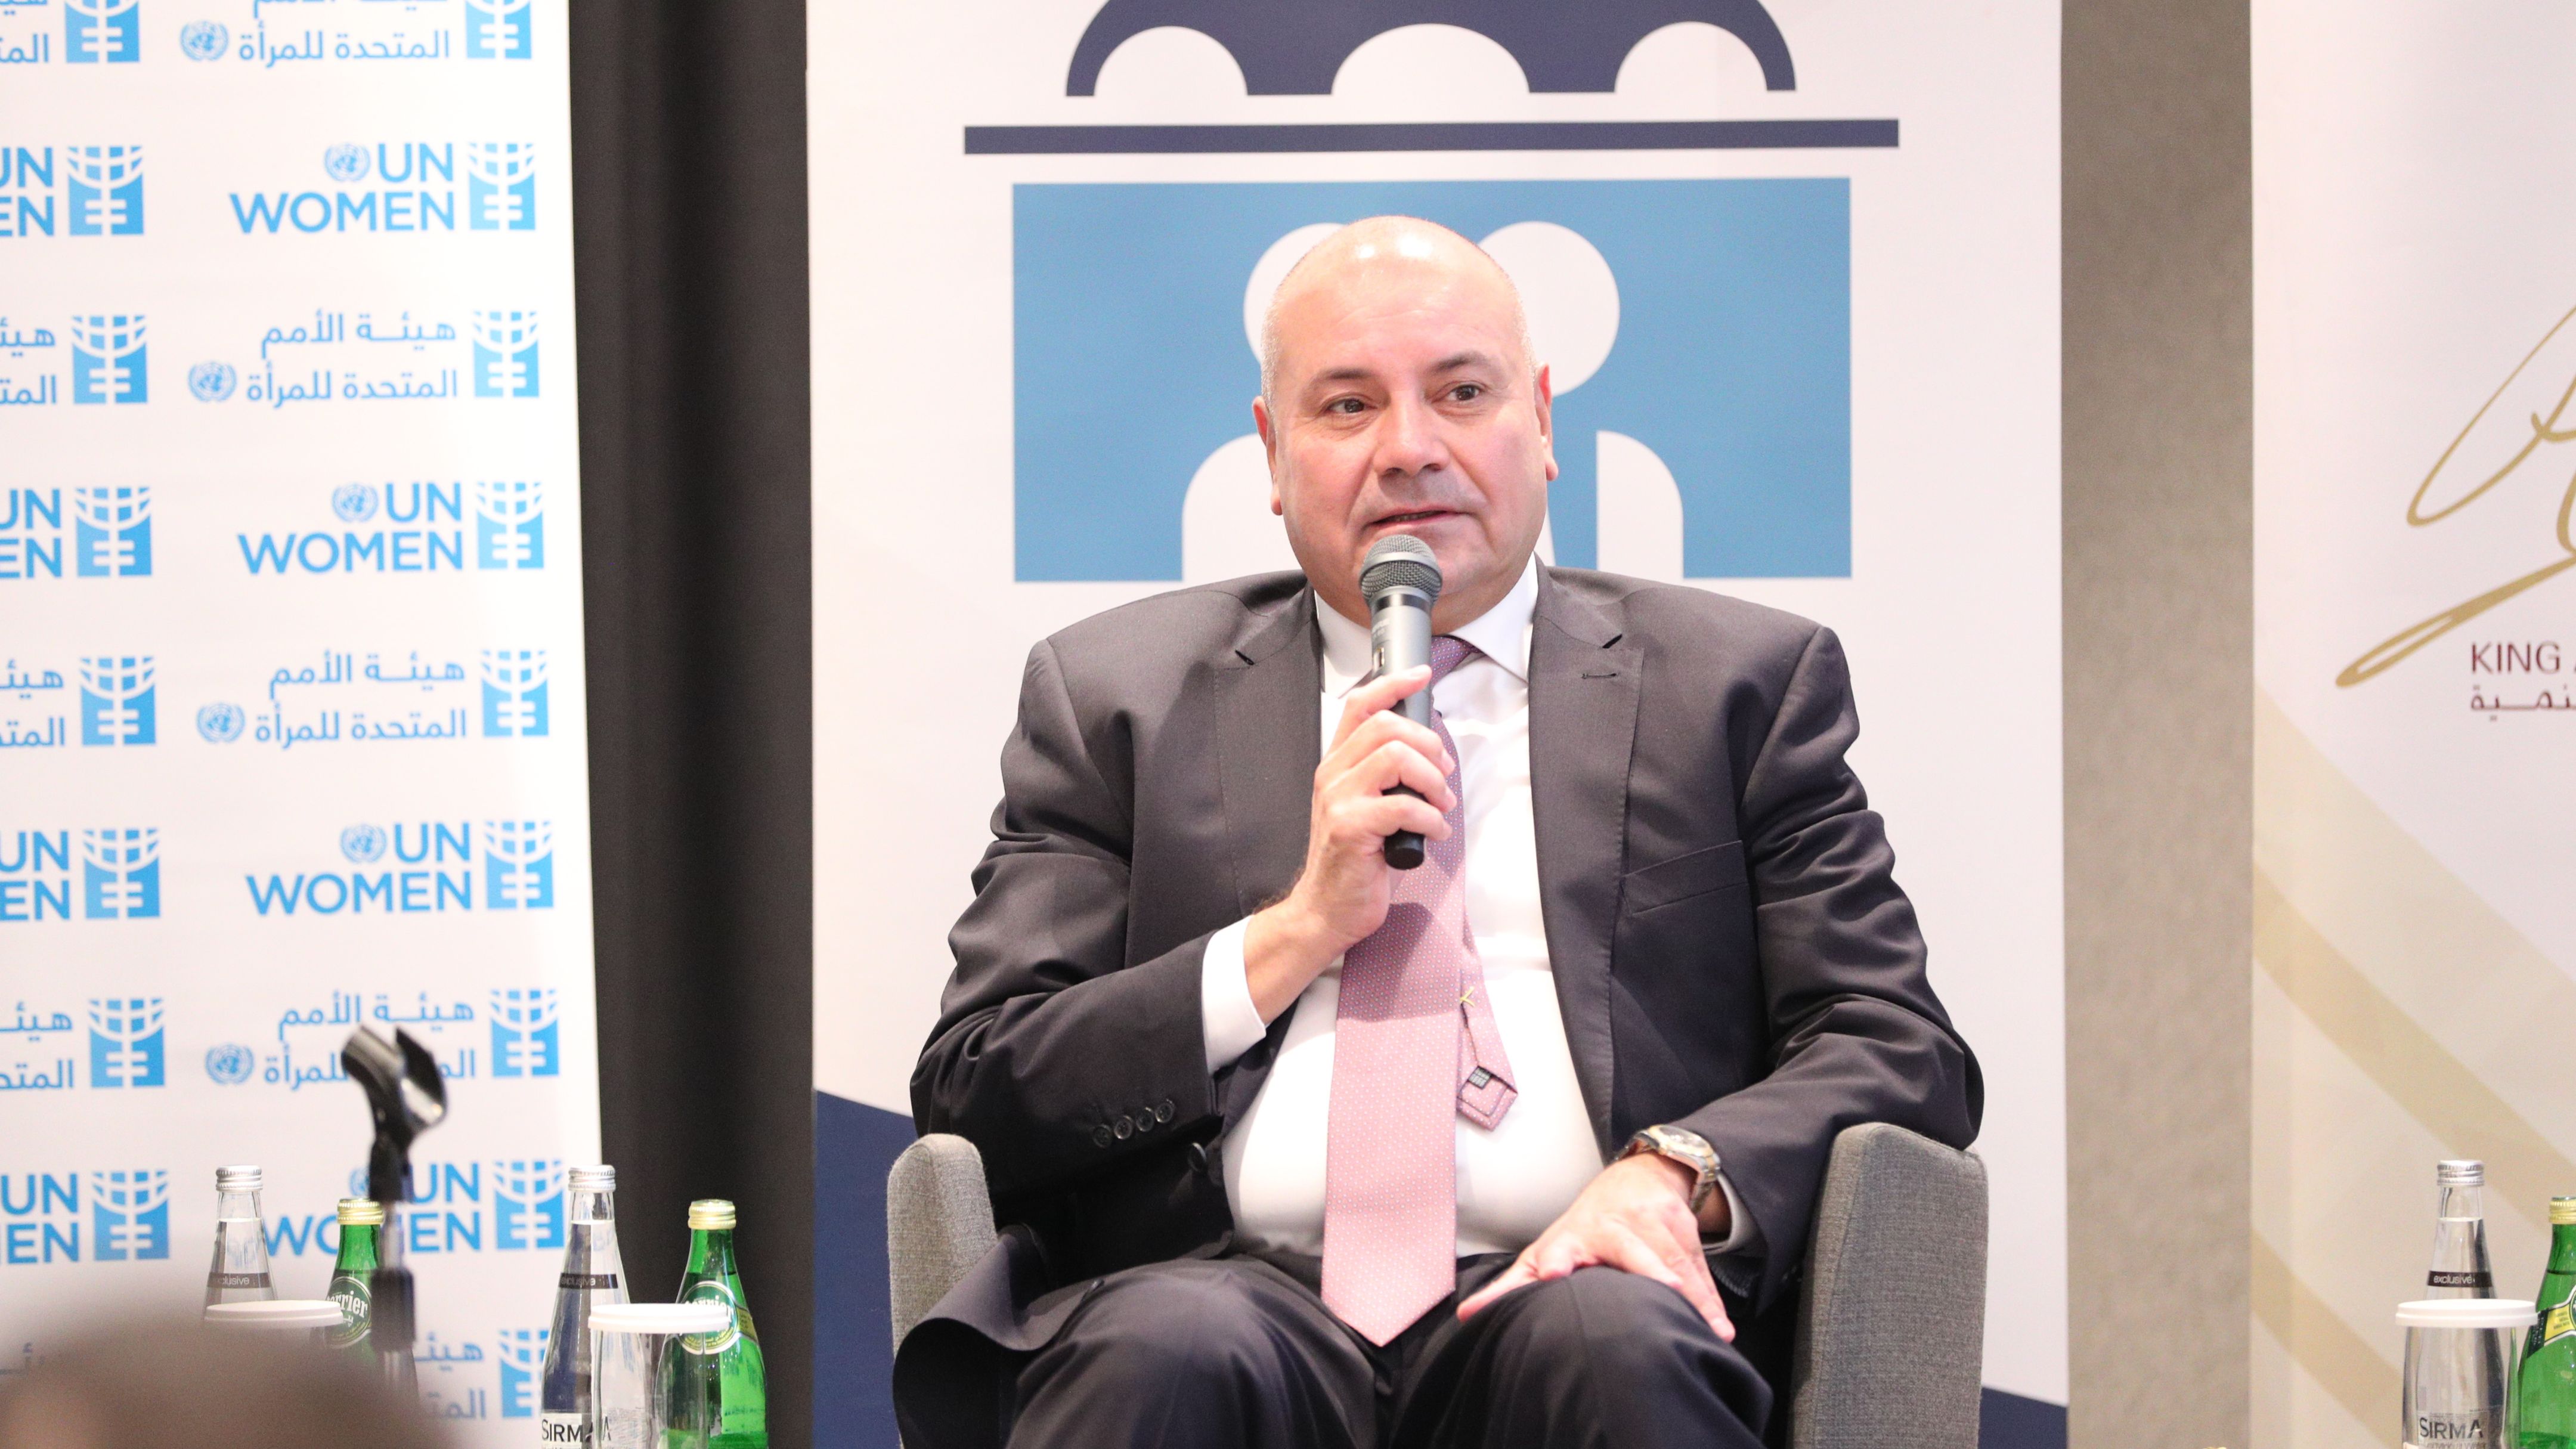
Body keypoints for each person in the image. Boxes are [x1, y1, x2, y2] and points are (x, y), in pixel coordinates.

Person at [896, 215, 1980, 1449]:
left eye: (1461, 394)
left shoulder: (1736, 691)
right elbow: (978, 1083)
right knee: (1166, 1348)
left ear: (1543, 420)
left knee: (1614, 1345)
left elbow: (1895, 1041)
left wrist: (1674, 1170)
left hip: (1573, 1290)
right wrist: (1291, 937)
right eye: (1347, 406)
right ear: (1273, 452)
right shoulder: (1117, 702)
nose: (1410, 448)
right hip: (1219, 1297)